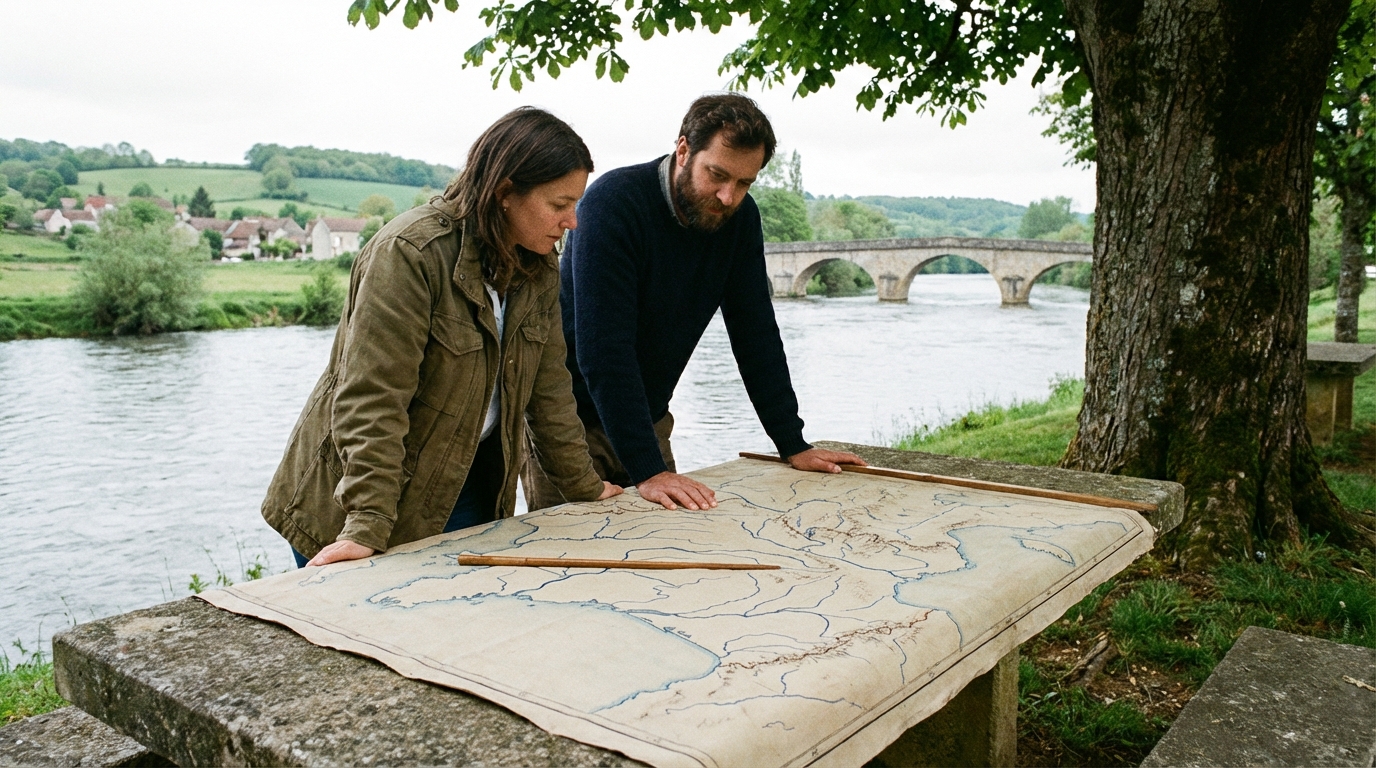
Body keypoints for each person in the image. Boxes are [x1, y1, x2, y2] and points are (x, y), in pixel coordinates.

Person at [262, 107, 622, 568]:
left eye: (576, 204)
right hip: (355, 500)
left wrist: (585, 487)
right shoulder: (409, 255)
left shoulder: (538, 266)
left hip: (467, 484)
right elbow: (373, 399)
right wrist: (367, 522)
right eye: (558, 205)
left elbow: (549, 389)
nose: (572, 221)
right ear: (505, 192)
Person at [523, 93, 865, 513]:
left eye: (744, 183)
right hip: (566, 427)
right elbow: (603, 350)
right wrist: (649, 470)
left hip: (648, 419)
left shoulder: (739, 220)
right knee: (568, 562)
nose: (728, 196)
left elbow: (755, 331)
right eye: (717, 175)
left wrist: (791, 442)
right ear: (683, 150)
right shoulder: (612, 204)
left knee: (669, 546)